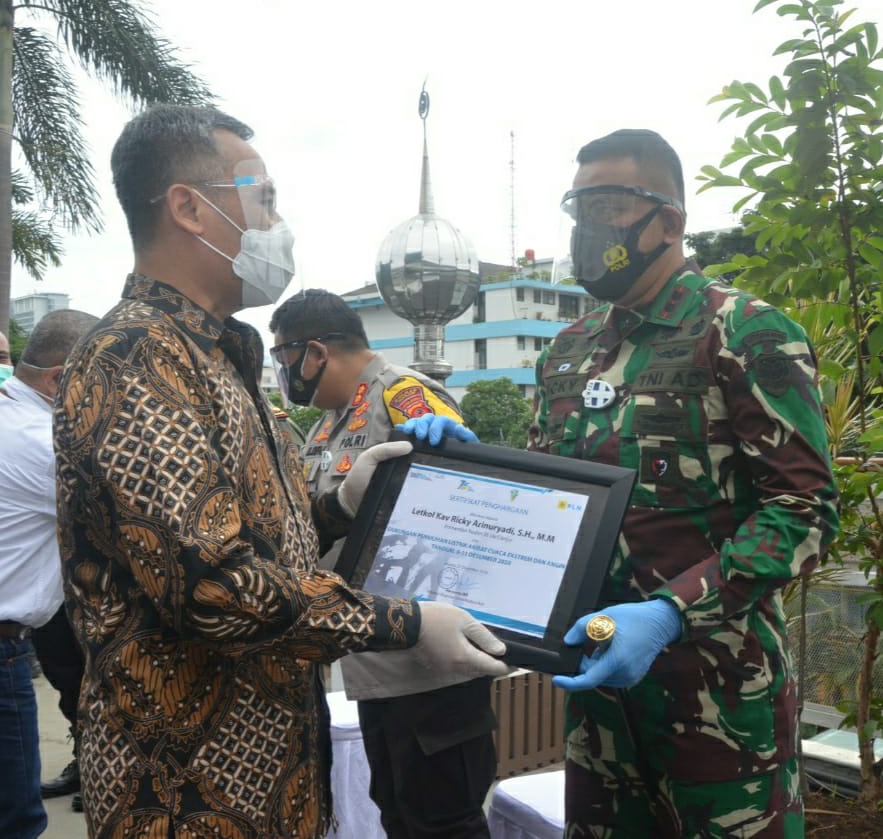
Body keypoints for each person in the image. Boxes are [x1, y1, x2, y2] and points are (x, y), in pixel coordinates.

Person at [53, 104, 508, 839]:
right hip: (186, 797)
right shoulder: (136, 356)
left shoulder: (218, 358)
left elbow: (253, 538)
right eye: (263, 197)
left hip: (265, 782)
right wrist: (405, 621)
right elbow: (214, 586)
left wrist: (338, 504)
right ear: (189, 209)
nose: (277, 220)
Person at [408, 129, 839, 839]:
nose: (589, 229)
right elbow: (558, 496)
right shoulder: (570, 350)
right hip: (599, 690)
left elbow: (806, 509)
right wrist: (469, 473)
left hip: (720, 698)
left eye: (608, 205)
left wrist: (670, 609)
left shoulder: (742, 332)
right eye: (579, 209)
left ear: (668, 221)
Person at [269, 289, 497, 839]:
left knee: (441, 820)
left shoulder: (404, 396)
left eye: (283, 358)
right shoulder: (330, 421)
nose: (283, 373)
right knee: (396, 810)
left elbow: (457, 512)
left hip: (427, 656)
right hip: (375, 654)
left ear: (315, 352)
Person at [0, 309, 98, 839]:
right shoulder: (44, 442)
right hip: (3, 647)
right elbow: (130, 525)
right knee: (17, 818)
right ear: (62, 379)